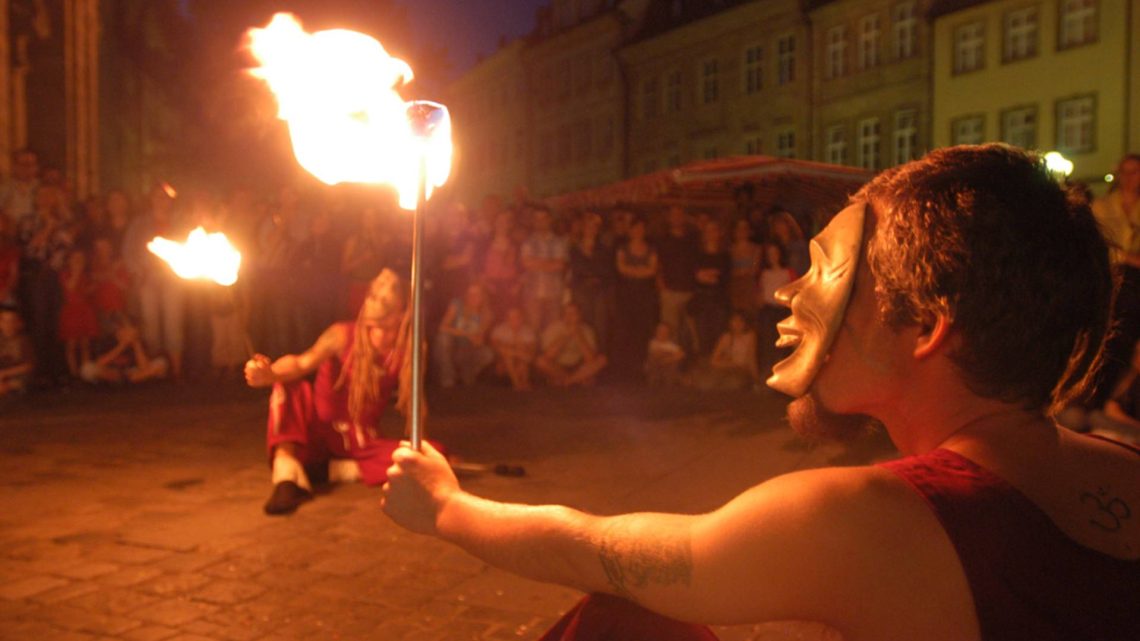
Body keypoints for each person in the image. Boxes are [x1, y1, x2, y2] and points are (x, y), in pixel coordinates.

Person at [382, 145, 1139, 640]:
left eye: (828, 269)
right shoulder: (1123, 467)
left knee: (625, 622)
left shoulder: (868, 518)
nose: (786, 292)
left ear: (928, 327)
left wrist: (449, 507)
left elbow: (601, 550)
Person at [245, 269, 432, 516]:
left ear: (402, 313)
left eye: (385, 317)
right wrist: (270, 374)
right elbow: (302, 363)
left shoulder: (409, 347)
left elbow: (414, 405)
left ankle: (326, 471)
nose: (377, 329)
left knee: (426, 455)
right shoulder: (341, 334)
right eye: (374, 319)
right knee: (290, 387)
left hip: (360, 439)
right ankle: (286, 478)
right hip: (320, 430)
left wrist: (424, 452)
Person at [1092, 153, 1140, 407]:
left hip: (1135, 281)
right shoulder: (1103, 206)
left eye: (1136, 171)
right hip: (1114, 278)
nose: (1131, 178)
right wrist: (1126, 257)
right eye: (1126, 172)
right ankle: (1100, 394)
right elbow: (1096, 243)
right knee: (1115, 333)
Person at [434, 282, 495, 388]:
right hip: (452, 342)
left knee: (487, 354)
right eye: (470, 294)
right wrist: (466, 333)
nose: (473, 297)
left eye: (477, 294)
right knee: (443, 338)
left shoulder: (486, 314)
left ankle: (467, 373)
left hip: (467, 346)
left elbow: (479, 337)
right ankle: (448, 377)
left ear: (483, 297)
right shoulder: (457, 305)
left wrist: (477, 338)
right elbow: (443, 327)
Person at [535, 302, 607, 388]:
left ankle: (568, 381)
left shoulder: (587, 330)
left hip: (580, 367)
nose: (569, 316)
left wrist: (579, 336)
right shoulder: (553, 328)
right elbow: (548, 356)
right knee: (540, 362)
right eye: (566, 313)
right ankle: (577, 380)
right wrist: (566, 336)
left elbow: (590, 359)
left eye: (573, 313)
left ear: (580, 315)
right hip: (558, 366)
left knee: (602, 360)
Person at [689, 311, 761, 391]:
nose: (737, 324)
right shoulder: (726, 338)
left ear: (745, 323)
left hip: (741, 371)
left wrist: (755, 378)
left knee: (735, 383)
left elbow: (751, 358)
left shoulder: (750, 337)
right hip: (727, 368)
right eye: (734, 321)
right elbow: (714, 360)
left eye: (740, 321)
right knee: (706, 384)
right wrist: (730, 363)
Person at [491, 306, 537, 391]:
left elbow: (531, 352)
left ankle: (524, 382)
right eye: (511, 317)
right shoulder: (499, 330)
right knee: (508, 357)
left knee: (521, 360)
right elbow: (497, 347)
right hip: (503, 364)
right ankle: (516, 383)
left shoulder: (528, 331)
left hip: (522, 363)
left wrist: (517, 350)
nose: (514, 319)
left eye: (517, 317)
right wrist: (518, 353)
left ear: (522, 318)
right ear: (506, 319)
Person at [0, 304, 33, 397]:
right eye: (5, 321)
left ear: (17, 323)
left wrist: (5, 374)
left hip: (17, 376)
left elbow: (28, 366)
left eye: (11, 321)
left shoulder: (23, 341)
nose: (8, 325)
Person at [645, 322, 684, 387]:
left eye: (665, 332)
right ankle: (654, 382)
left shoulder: (671, 345)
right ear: (656, 332)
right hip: (655, 367)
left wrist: (669, 359)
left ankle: (668, 383)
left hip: (667, 367)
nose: (662, 334)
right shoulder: (653, 342)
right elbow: (655, 352)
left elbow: (681, 354)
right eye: (659, 331)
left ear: (669, 334)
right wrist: (667, 354)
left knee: (673, 362)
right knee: (654, 357)